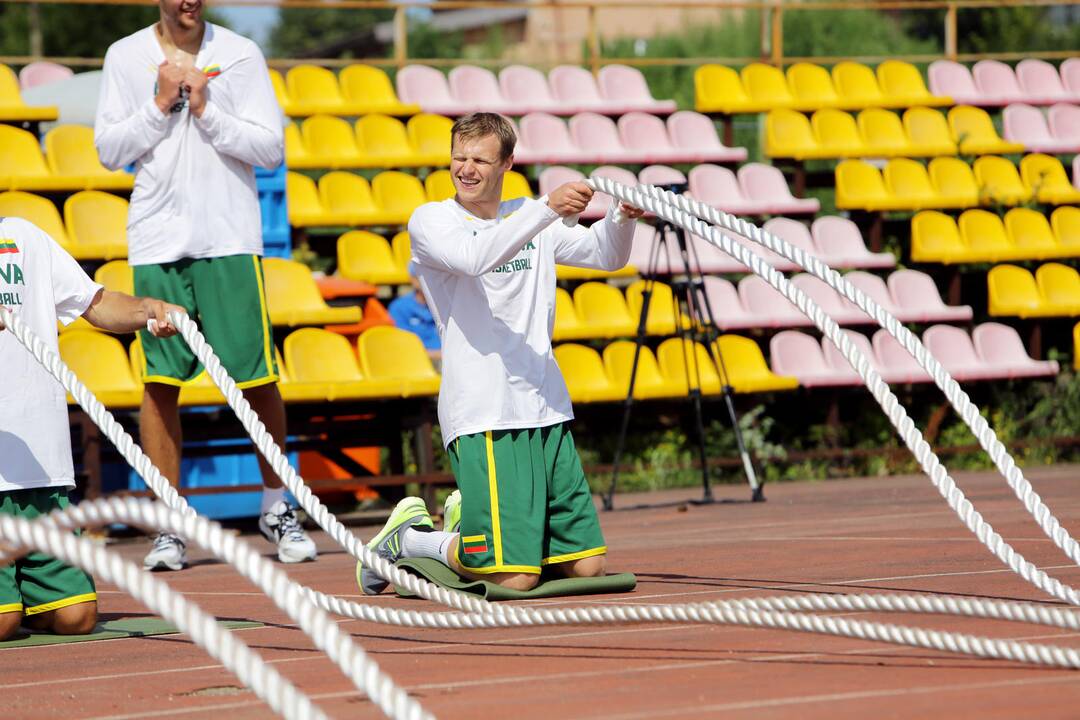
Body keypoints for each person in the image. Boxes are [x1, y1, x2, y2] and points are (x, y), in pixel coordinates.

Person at [358, 112, 643, 594]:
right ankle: (410, 540)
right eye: (458, 158)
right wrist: (546, 209)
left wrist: (621, 218)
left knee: (586, 567)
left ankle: (466, 516)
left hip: (545, 402)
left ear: (507, 162)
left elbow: (606, 257)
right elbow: (475, 257)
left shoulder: (528, 215)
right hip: (485, 408)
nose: (465, 169)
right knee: (514, 576)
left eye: (479, 160)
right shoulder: (432, 220)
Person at [95, 0, 317, 569]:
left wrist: (206, 108)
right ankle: (170, 522)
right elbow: (109, 152)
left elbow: (271, 149)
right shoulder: (125, 55)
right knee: (160, 380)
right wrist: (161, 102)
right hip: (157, 241)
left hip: (230, 240)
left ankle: (276, 505)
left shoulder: (241, 54)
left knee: (257, 377)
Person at [0, 216, 186, 641]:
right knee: (3, 623)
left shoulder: (23, 235)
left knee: (76, 619)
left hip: (42, 474)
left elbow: (96, 303)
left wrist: (147, 309)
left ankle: (18, 590)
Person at [387, 274, 441, 362]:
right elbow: (403, 345)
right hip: (415, 361)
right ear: (413, 279)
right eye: (420, 276)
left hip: (444, 359)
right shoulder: (399, 307)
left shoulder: (444, 305)